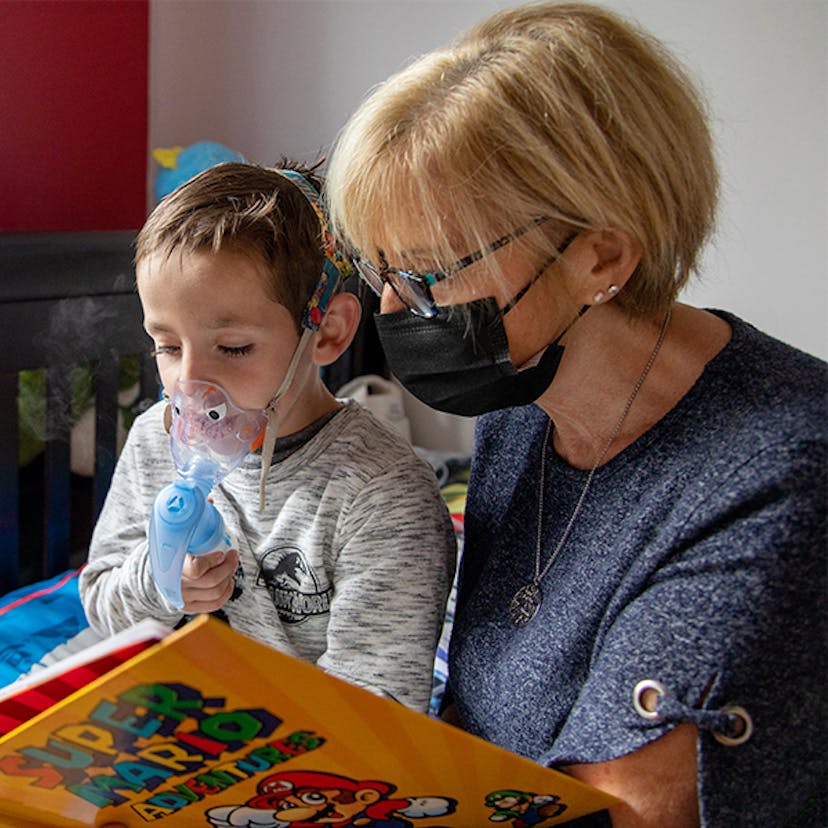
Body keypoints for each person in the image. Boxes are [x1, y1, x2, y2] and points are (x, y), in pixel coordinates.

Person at [325, 3, 826, 824]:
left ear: (601, 256)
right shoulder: (523, 406)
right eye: (382, 270)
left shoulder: (780, 475)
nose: (390, 308)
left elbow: (619, 814)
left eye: (427, 276)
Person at [79, 161, 456, 714]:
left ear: (327, 332)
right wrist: (159, 583)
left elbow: (377, 708)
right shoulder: (153, 443)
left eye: (232, 348)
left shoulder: (382, 494)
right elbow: (100, 603)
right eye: (166, 346)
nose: (190, 383)